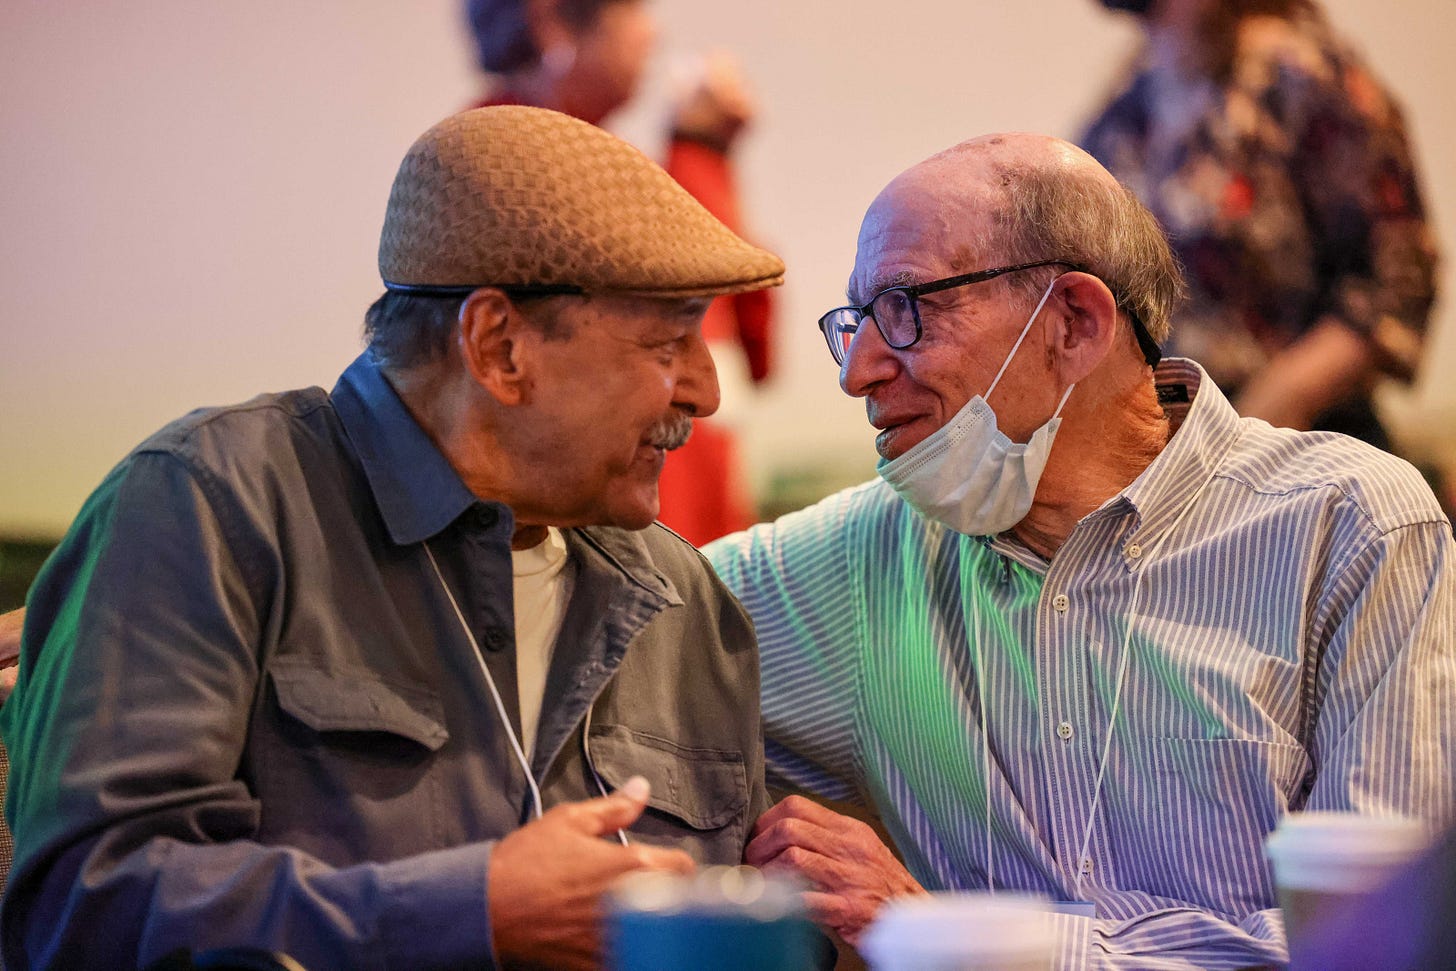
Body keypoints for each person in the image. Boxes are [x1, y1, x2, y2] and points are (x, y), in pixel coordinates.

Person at [0, 105, 783, 971]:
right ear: (499, 347)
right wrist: (468, 912)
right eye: (669, 342)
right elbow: (83, 907)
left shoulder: (689, 603)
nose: (705, 391)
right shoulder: (208, 507)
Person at [705, 132, 1456, 969]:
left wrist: (957, 937)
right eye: (857, 323)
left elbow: (1387, 944)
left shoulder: (1351, 526)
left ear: (1075, 322)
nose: (859, 372)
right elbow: (633, 615)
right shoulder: (862, 557)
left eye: (907, 309)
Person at [466, 0, 776, 545]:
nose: (652, 33)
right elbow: (706, 298)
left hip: (661, 521)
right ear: (551, 22)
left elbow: (746, 329)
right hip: (623, 535)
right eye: (631, 7)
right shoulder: (503, 176)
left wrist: (700, 151)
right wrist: (698, 153)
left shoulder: (590, 166)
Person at [1080, 0, 1439, 453]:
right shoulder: (1133, 94)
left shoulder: (1303, 79)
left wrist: (1253, 425)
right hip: (1175, 445)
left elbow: (1396, 283)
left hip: (1300, 448)